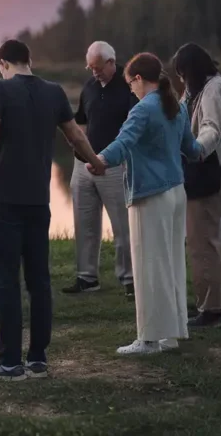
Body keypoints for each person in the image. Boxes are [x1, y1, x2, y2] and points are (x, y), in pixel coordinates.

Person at [0, 39, 104, 380]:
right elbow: (76, 136)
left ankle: (9, 363)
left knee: (6, 281)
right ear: (29, 60)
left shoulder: (0, 90)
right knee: (39, 280)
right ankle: (37, 359)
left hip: (3, 199)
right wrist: (95, 162)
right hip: (38, 200)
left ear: (3, 62)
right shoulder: (54, 92)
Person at [88, 53, 204, 356]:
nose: (130, 89)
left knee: (149, 267)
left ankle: (149, 339)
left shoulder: (143, 109)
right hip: (177, 192)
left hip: (150, 195)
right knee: (171, 265)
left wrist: (100, 160)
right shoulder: (176, 107)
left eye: (130, 83)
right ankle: (171, 334)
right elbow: (192, 149)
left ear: (139, 78)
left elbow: (123, 142)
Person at [63, 41, 138, 300]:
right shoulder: (89, 87)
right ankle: (87, 277)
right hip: (82, 165)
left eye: (97, 67)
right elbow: (81, 121)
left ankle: (130, 280)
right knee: (84, 224)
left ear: (111, 62)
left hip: (115, 166)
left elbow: (134, 129)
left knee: (123, 226)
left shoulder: (128, 88)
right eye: (90, 67)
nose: (93, 72)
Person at [172, 43, 221, 328]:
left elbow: (211, 127)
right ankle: (215, 301)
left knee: (201, 241)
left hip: (208, 171)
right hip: (202, 170)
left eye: (182, 74)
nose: (181, 80)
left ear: (192, 70)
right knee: (207, 238)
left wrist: (195, 149)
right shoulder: (196, 89)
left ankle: (211, 311)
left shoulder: (213, 90)